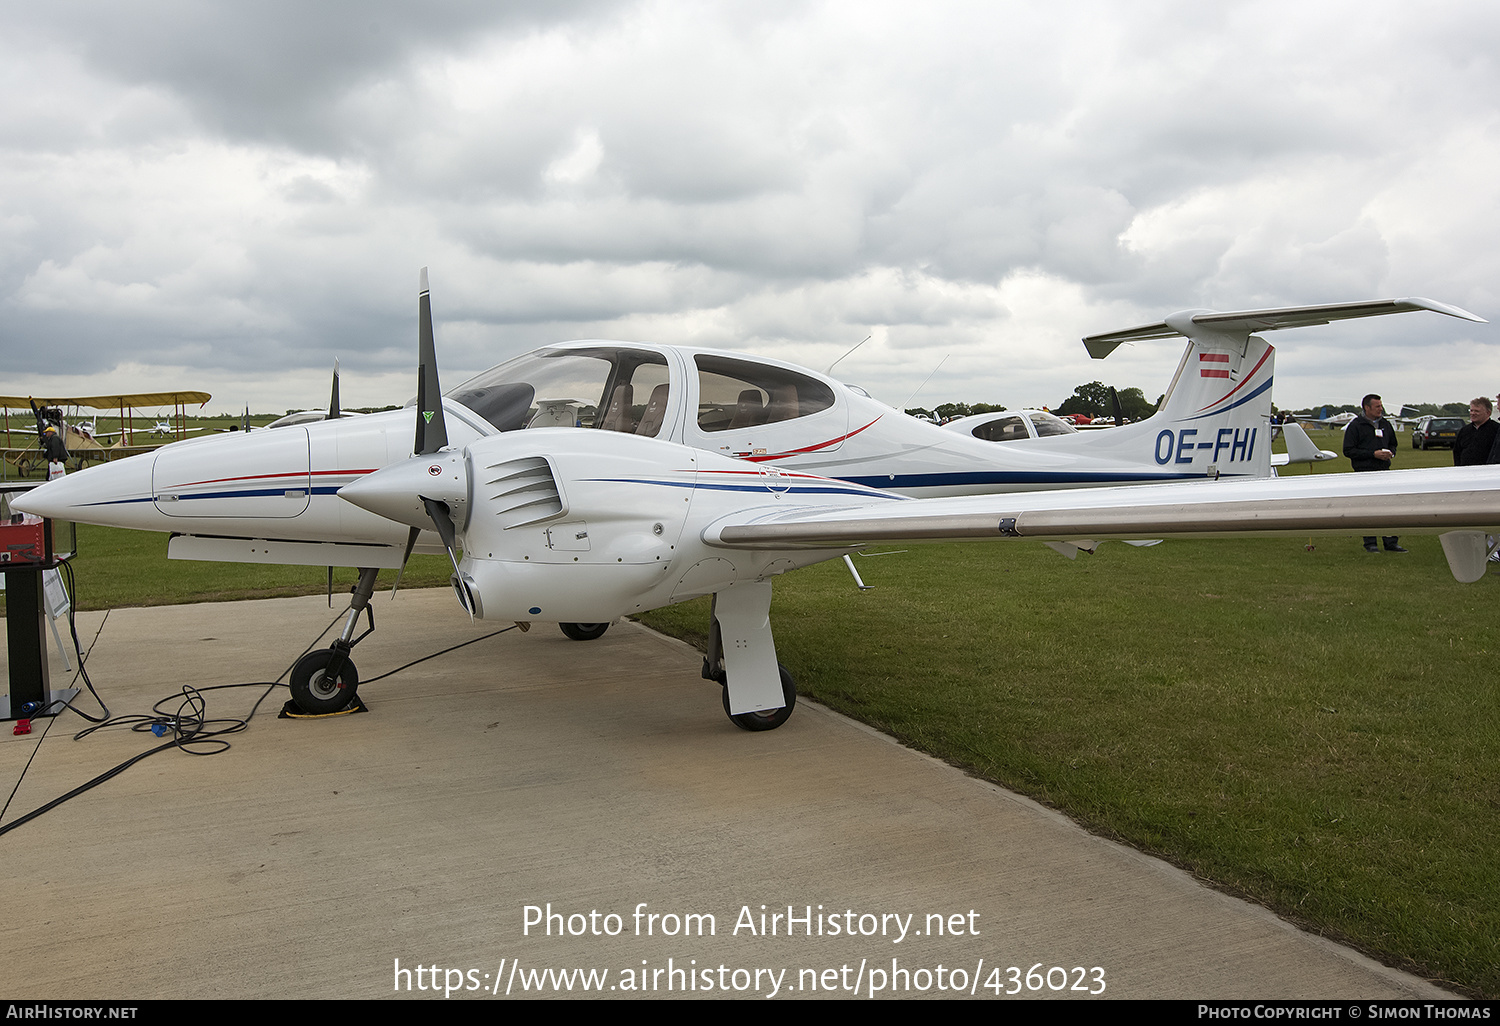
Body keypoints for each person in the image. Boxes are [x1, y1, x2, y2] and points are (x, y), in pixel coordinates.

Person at [1343, 393, 1403, 553]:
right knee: (1367, 508)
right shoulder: (1356, 426)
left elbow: (1393, 444)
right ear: (1367, 408)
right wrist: (1372, 454)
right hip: (1364, 473)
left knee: (1388, 508)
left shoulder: (1386, 424)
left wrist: (1391, 453)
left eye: (1381, 406)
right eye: (1377, 406)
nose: (1380, 409)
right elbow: (1348, 450)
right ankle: (1370, 543)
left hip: (1384, 472)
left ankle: (1391, 542)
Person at [1454, 397, 1498, 467]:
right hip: (1465, 472)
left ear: (1488, 413)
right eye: (1471, 410)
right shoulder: (1464, 431)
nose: (1473, 413)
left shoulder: (1497, 430)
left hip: (1488, 473)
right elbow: (1457, 452)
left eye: (1477, 411)